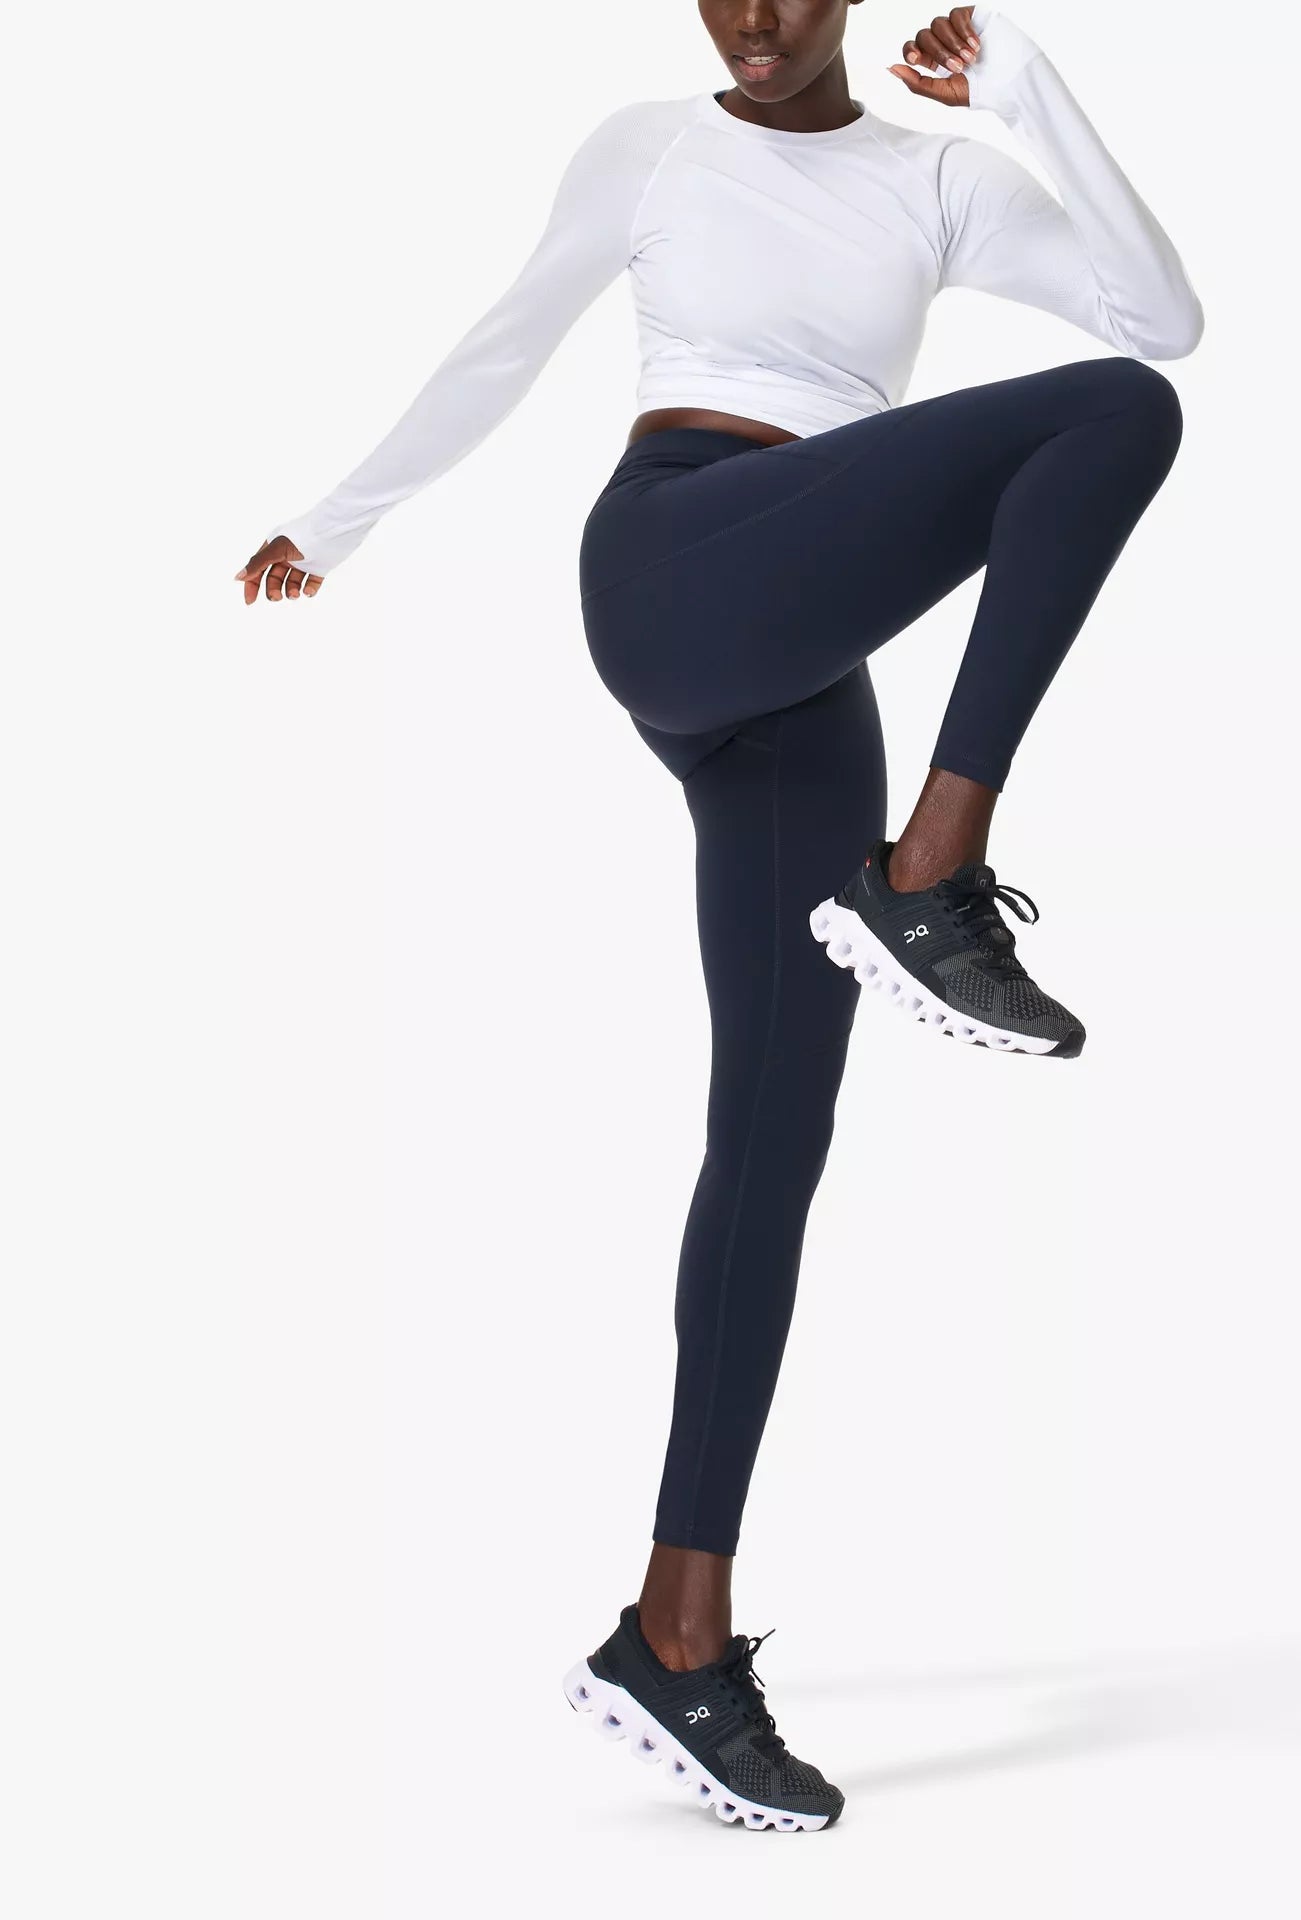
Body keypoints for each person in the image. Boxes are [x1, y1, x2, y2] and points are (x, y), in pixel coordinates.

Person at [237, 2, 1202, 1832]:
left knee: (772, 1142)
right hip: (681, 563)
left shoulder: (934, 181)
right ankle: (928, 873)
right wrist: (339, 520)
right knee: (1110, 421)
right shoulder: (649, 146)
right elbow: (506, 338)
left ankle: (674, 1638)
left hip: (803, 656)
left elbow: (1158, 317)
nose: (755, 18)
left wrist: (1027, 91)